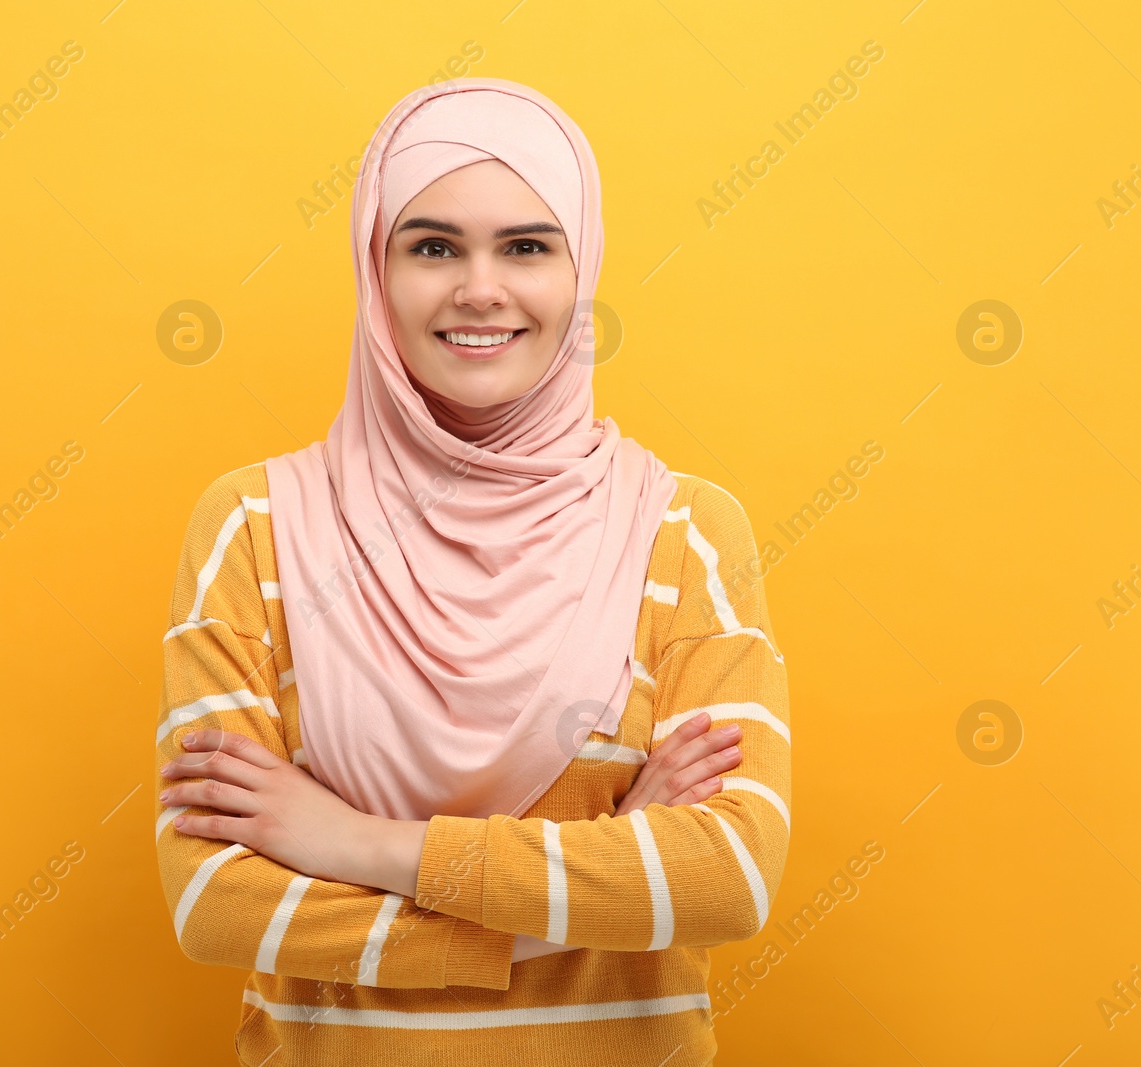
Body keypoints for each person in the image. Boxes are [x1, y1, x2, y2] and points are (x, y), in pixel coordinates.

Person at [154, 77, 790, 1066]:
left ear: (579, 270)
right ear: (376, 267)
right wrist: (606, 885)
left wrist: (350, 842)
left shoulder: (681, 529)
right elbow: (213, 903)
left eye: (526, 246)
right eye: (433, 245)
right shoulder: (254, 527)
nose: (479, 289)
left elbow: (728, 879)